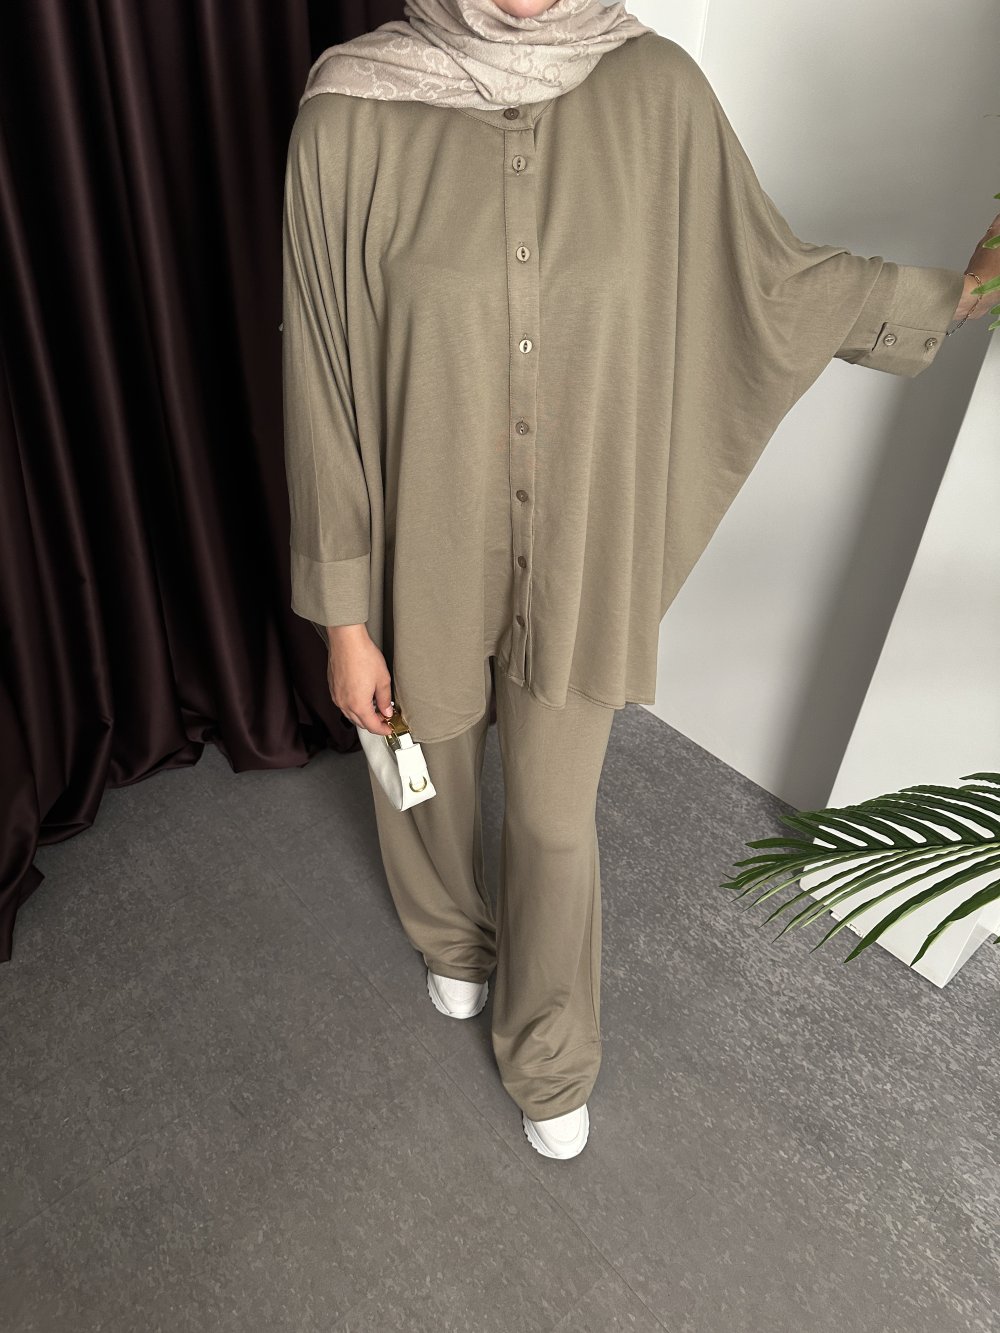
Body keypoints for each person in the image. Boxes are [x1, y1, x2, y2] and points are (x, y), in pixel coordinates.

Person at [281, 0, 1000, 1160]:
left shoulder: (654, 91)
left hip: (583, 543)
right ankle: (452, 939)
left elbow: (767, 282)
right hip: (424, 534)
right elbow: (322, 376)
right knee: (427, 766)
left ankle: (549, 1050)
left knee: (554, 821)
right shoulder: (349, 116)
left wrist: (948, 300)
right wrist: (345, 619)